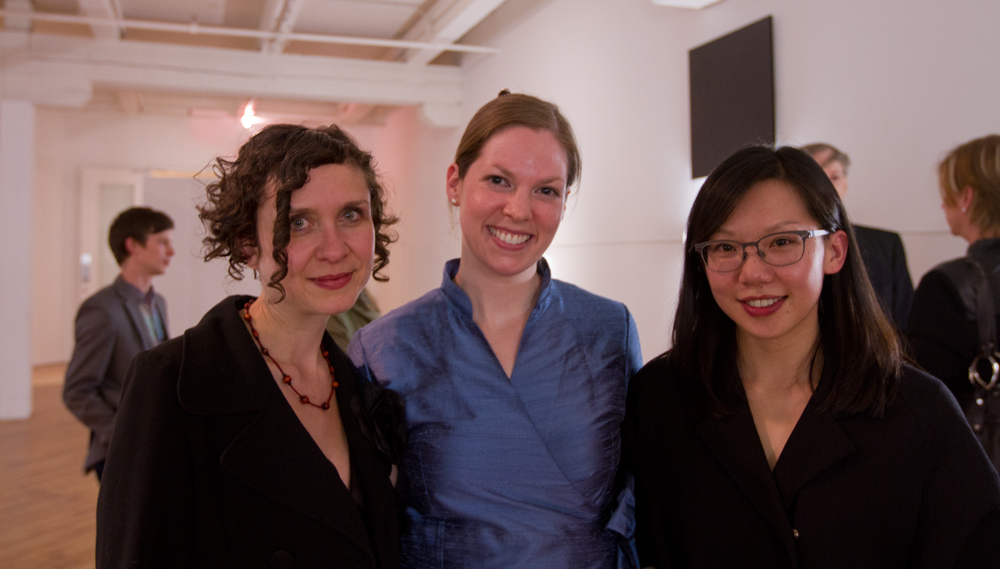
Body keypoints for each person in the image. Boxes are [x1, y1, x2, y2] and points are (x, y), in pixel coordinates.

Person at [623, 145, 1000, 568]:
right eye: (726, 247)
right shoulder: (660, 400)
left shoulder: (916, 411)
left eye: (782, 242)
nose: (753, 273)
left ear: (835, 251)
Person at [349, 91, 642, 568]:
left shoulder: (609, 329)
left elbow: (643, 494)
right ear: (455, 182)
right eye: (499, 181)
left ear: (565, 201)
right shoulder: (384, 348)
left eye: (546, 190)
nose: (519, 210)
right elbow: (365, 523)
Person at [96, 124, 403, 569]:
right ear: (247, 245)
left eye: (351, 215)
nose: (335, 249)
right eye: (298, 223)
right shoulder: (171, 383)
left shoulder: (360, 381)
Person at [63, 206, 174, 481]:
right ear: (132, 245)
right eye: (162, 242)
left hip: (158, 442)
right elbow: (77, 390)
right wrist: (120, 432)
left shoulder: (158, 302)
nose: (171, 251)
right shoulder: (102, 310)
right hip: (119, 453)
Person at [909, 135, 1000, 403]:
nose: (941, 204)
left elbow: (924, 395)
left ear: (966, 197)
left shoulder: (946, 286)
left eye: (946, 193)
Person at [803, 142, 914, 329]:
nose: (827, 187)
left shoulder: (887, 246)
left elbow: (906, 323)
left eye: (835, 177)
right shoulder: (783, 245)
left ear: (845, 184)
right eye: (817, 178)